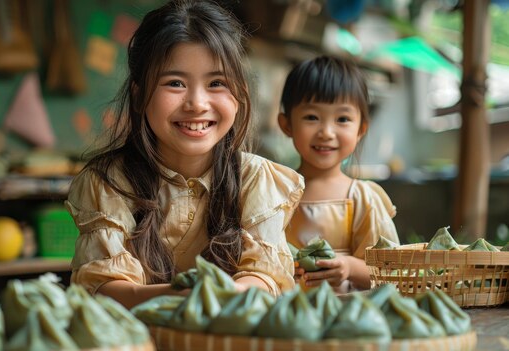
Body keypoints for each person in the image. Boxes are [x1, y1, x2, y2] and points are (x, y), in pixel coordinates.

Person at [65, 0, 304, 309]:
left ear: (240, 94)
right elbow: (104, 287)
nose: (197, 103)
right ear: (139, 96)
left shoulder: (257, 179)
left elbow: (264, 277)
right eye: (175, 83)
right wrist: (183, 298)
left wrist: (214, 298)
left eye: (216, 83)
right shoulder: (108, 182)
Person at [278, 55, 400, 292]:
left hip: (346, 319)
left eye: (342, 119)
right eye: (312, 117)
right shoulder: (273, 193)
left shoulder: (363, 199)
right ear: (287, 125)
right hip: (286, 319)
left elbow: (391, 273)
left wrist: (350, 267)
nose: (326, 132)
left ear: (361, 129)